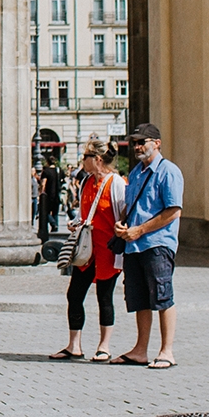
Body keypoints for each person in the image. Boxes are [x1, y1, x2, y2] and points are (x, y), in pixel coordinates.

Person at [111, 123, 184, 369]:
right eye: (134, 143)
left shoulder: (168, 171)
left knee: (162, 296)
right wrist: (122, 224)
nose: (137, 146)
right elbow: (131, 206)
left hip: (157, 244)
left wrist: (140, 230)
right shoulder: (135, 173)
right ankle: (140, 350)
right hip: (133, 246)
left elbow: (173, 211)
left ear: (157, 143)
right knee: (139, 299)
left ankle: (167, 351)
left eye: (142, 142)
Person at [50, 138, 125, 362]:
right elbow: (86, 213)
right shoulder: (86, 182)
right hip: (87, 250)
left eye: (86, 157)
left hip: (108, 250)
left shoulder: (116, 183)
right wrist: (78, 223)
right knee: (74, 294)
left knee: (104, 297)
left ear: (98, 160)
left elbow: (123, 214)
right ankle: (74, 345)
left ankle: (104, 346)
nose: (83, 160)